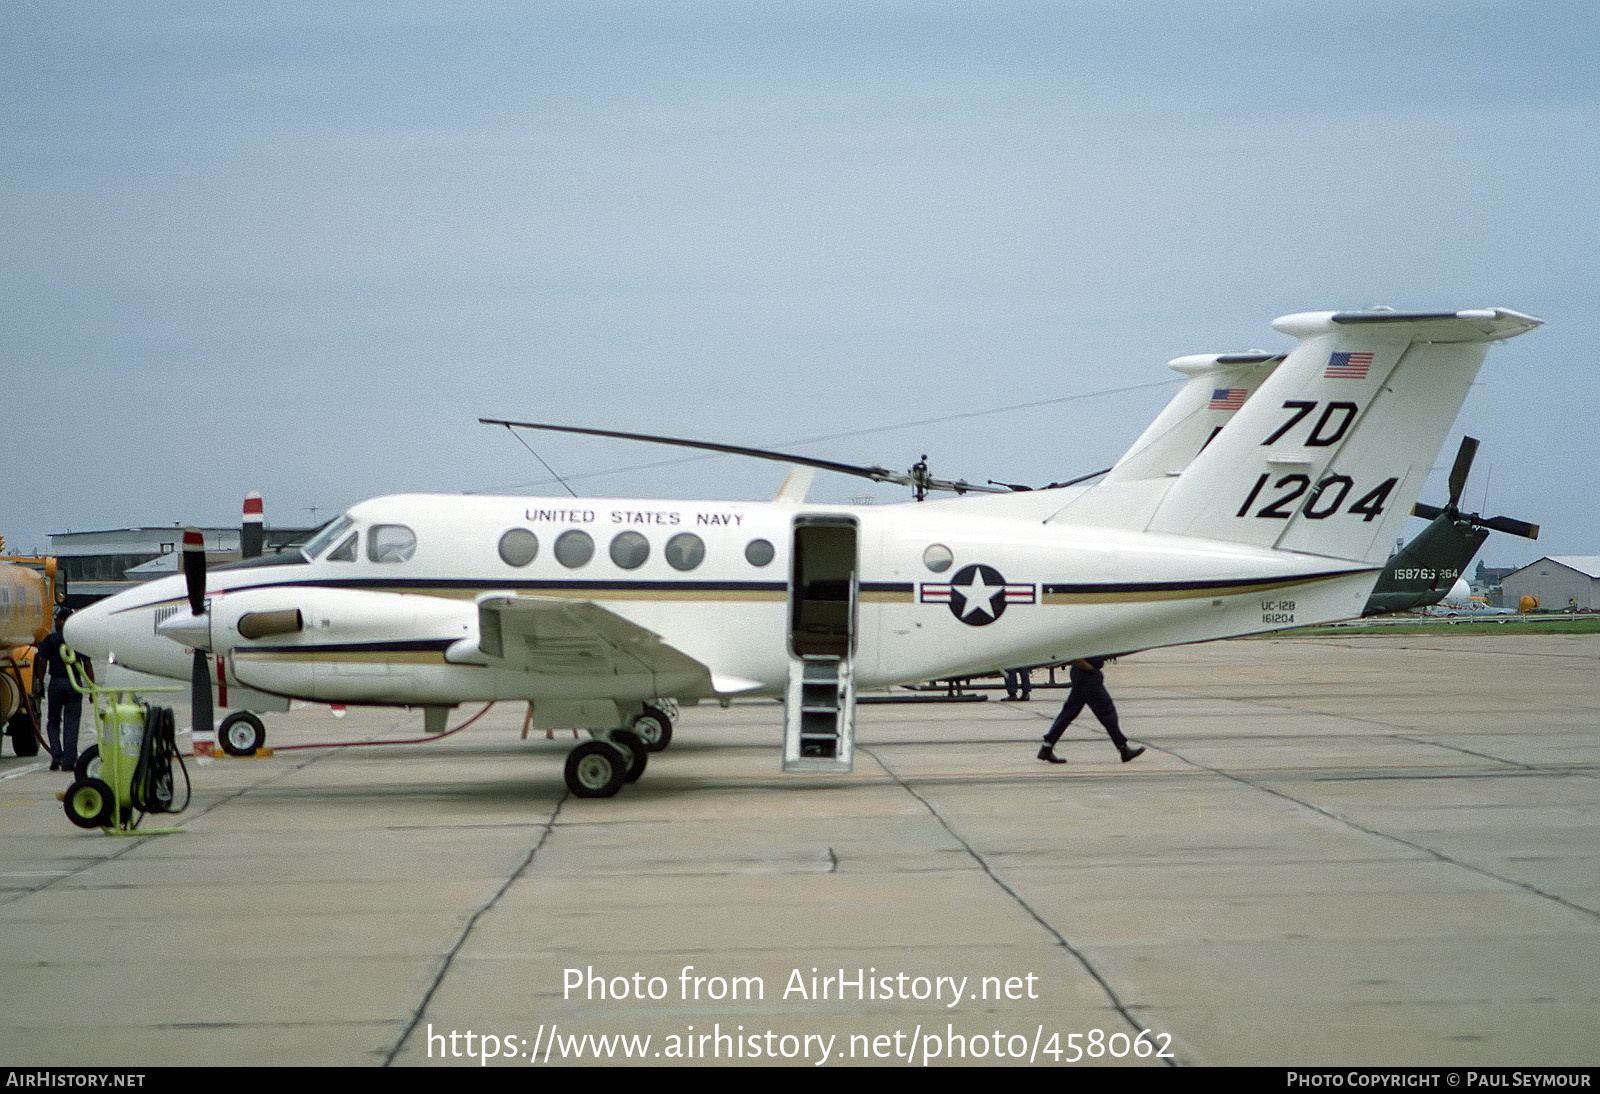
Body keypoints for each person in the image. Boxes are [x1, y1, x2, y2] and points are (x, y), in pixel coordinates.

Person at [1037, 657, 1144, 765]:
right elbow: (1075, 656)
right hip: (1086, 675)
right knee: (1107, 711)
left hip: (1082, 674)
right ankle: (1123, 748)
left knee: (1068, 712)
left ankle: (1047, 747)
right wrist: (1091, 670)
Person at [38, 610, 85, 772]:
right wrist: (91, 688)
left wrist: (39, 682)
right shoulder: (77, 639)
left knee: (53, 720)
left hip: (56, 683)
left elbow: (42, 660)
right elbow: (87, 663)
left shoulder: (50, 639)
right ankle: (69, 761)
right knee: (72, 722)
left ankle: (56, 755)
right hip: (74, 683)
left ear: (60, 621)